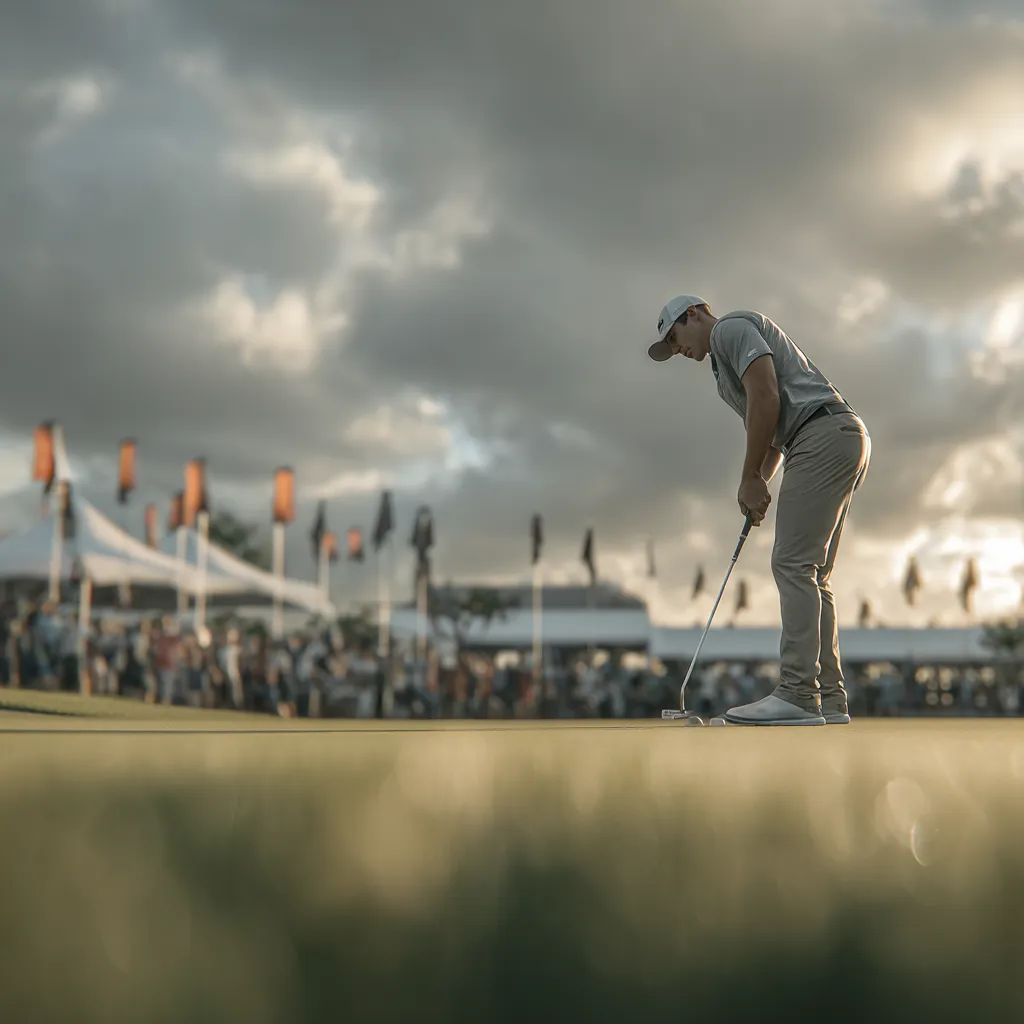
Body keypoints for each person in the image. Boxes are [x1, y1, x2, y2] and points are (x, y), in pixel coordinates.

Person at [648, 295, 871, 725]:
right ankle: (829, 697)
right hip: (835, 434)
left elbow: (766, 397)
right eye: (672, 349)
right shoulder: (721, 372)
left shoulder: (729, 329)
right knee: (812, 573)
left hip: (821, 433)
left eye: (675, 338)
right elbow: (769, 434)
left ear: (693, 314)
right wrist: (759, 481)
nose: (679, 350)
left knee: (791, 563)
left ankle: (798, 694)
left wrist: (750, 477)